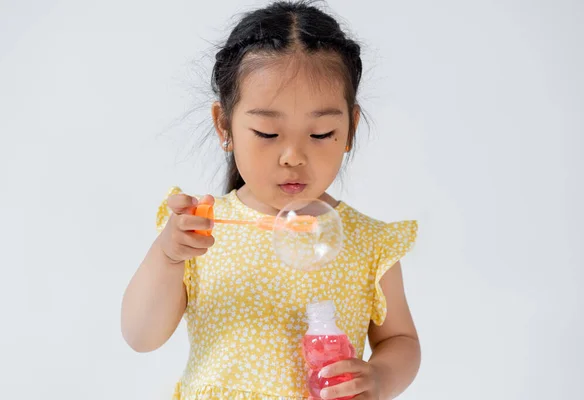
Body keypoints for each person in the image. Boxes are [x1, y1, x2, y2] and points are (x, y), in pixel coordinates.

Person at [121, 1, 420, 399]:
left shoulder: (369, 243)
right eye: (266, 132)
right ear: (224, 125)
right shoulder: (200, 231)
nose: (293, 156)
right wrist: (168, 257)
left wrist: (379, 378)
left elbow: (400, 341)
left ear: (350, 129)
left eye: (320, 134)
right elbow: (141, 337)